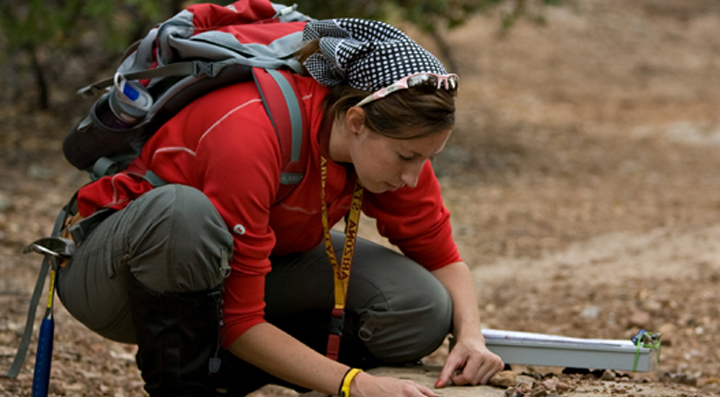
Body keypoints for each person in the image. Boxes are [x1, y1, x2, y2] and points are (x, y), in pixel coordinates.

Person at [56, 16, 504, 397]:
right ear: (356, 121)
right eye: (408, 158)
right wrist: (354, 384)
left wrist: (470, 337)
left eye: (427, 158)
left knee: (420, 308)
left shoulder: (393, 145)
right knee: (182, 213)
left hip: (237, 274)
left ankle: (224, 374)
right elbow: (238, 319)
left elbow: (441, 257)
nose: (414, 175)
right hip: (117, 279)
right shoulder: (251, 133)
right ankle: (185, 387)